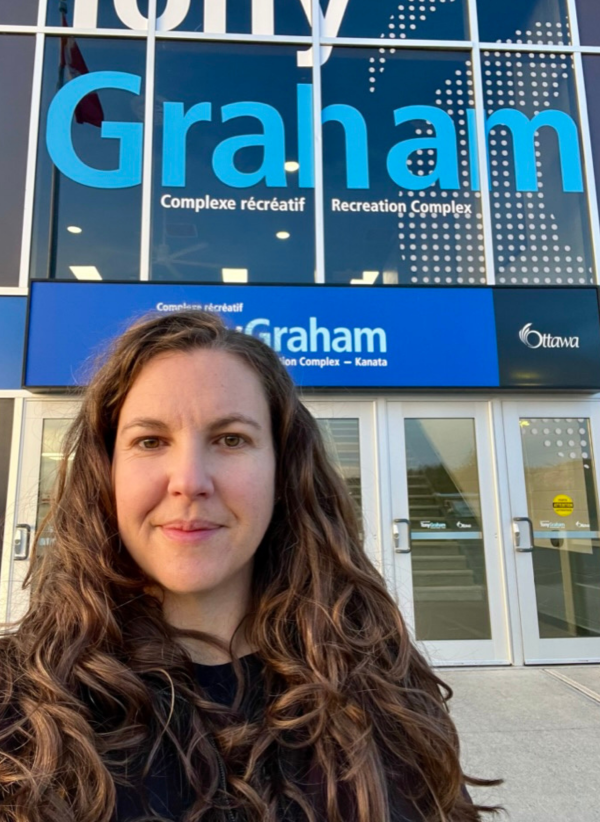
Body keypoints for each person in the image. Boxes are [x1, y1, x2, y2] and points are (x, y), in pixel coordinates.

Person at [0, 310, 500, 822]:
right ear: (106, 472)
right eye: (150, 441)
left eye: (231, 439)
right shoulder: (19, 700)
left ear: (283, 471)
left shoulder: (384, 685)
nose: (190, 480)